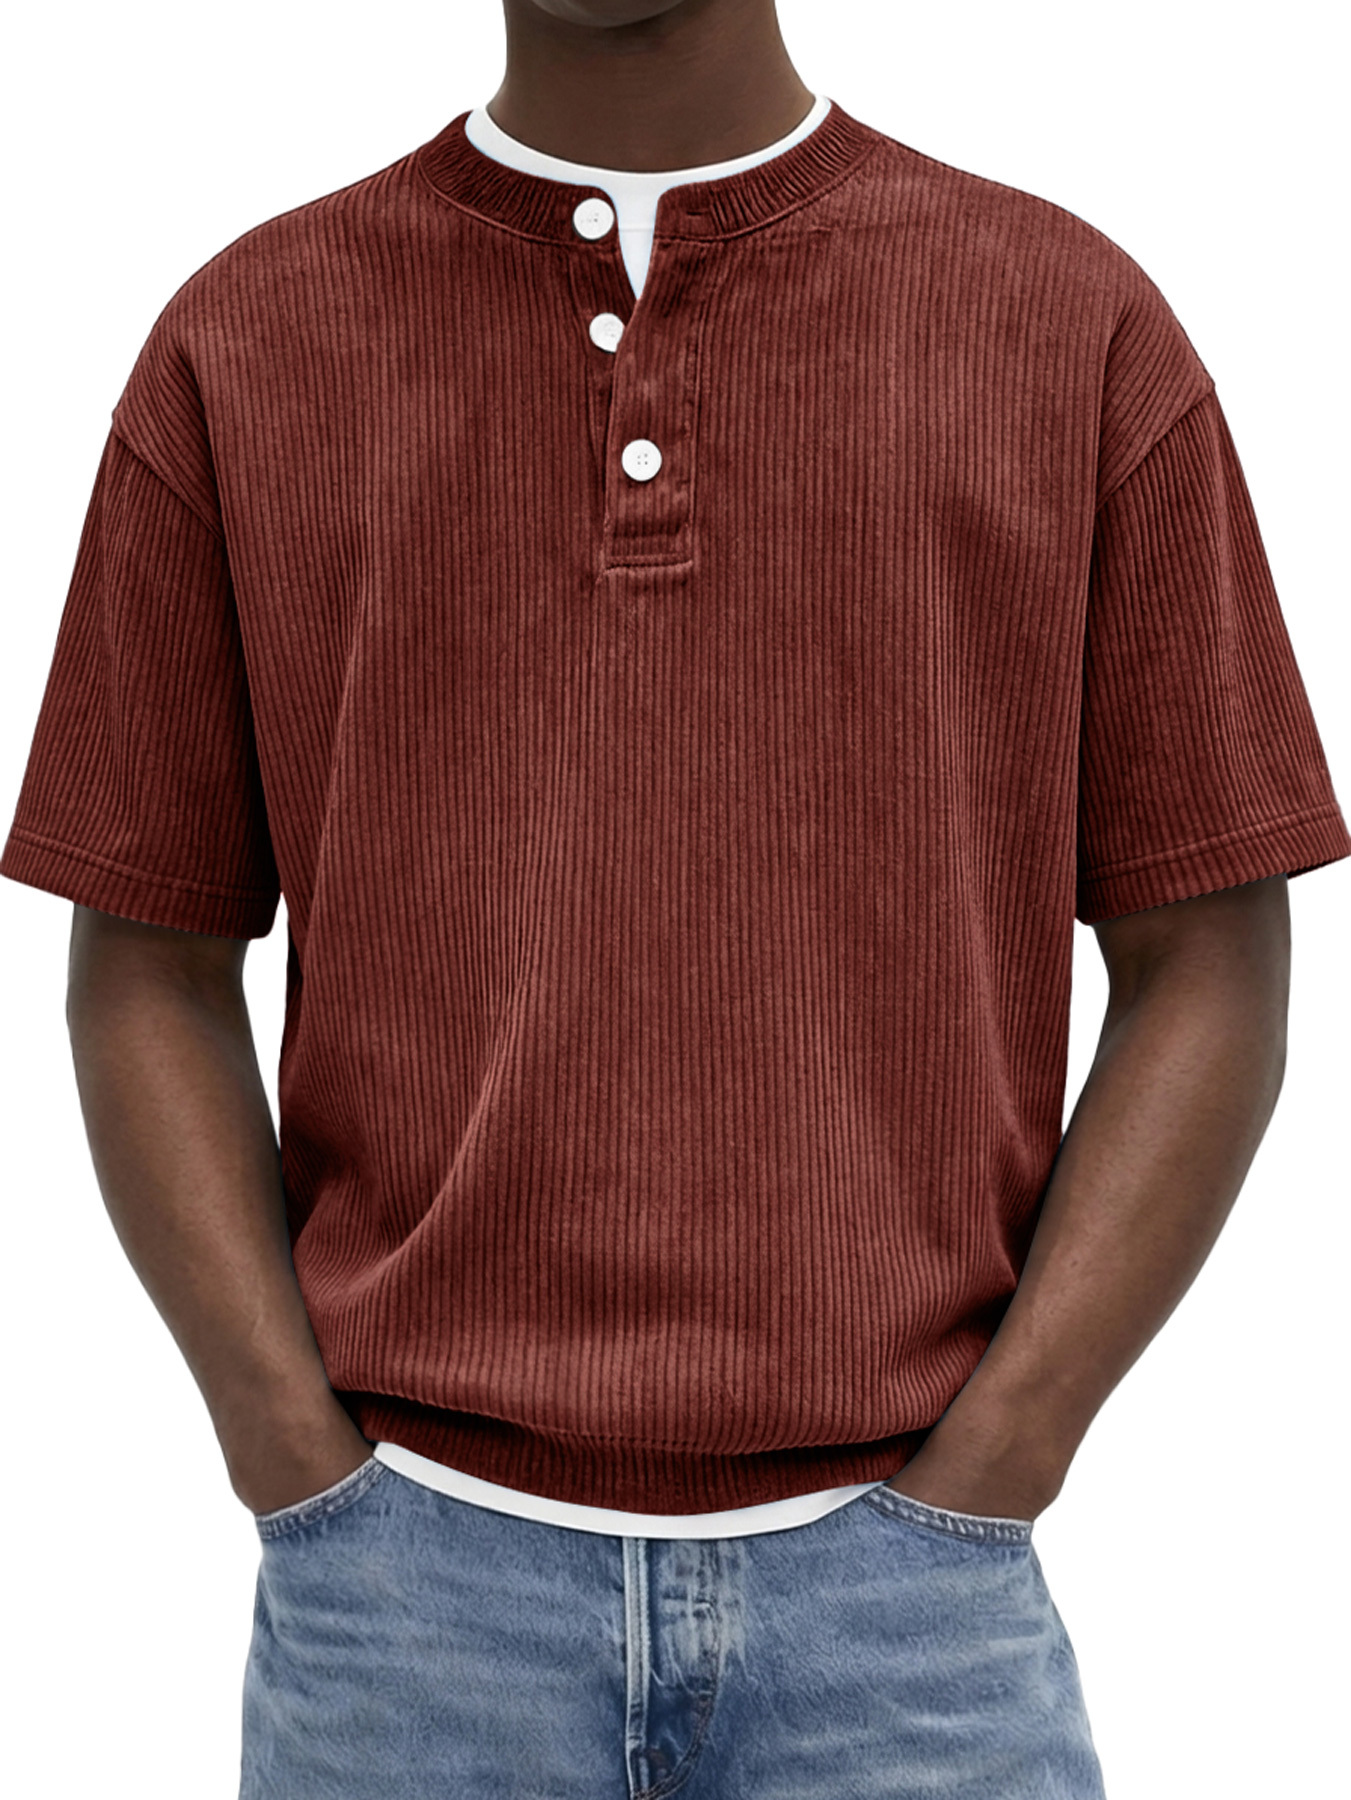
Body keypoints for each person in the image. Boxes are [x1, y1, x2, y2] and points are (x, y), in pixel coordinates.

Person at [2, 0, 1348, 1793]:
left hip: (912, 1617)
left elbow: (1212, 953)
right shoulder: (242, 339)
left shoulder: (1070, 322)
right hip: (405, 1615)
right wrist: (287, 1452)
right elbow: (146, 960)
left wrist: (1010, 1448)